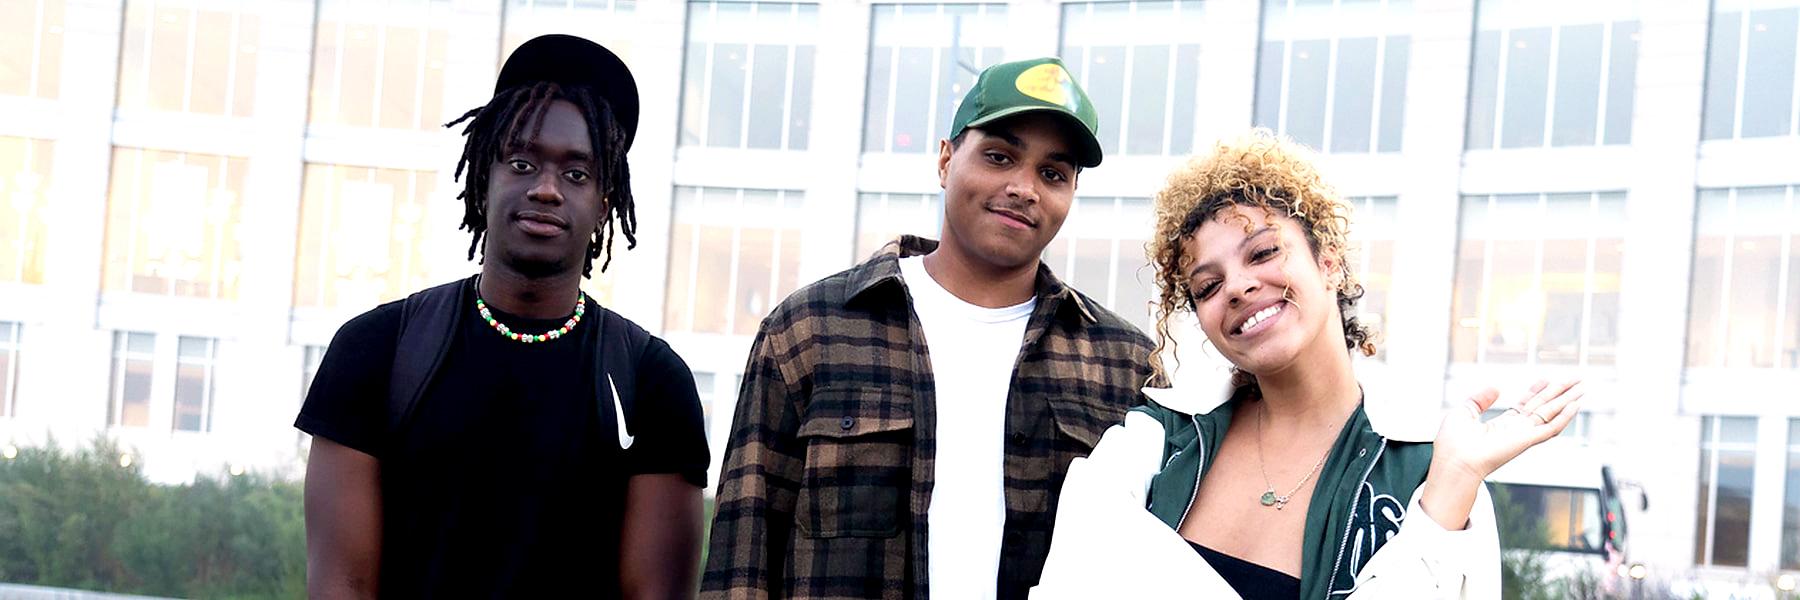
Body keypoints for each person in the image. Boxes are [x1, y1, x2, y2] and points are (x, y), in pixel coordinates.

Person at [1031, 131, 1583, 599]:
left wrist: (1452, 489)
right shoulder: (1150, 447)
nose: (1241, 287)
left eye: (1264, 253)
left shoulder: (1426, 476)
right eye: (1208, 286)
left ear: (1329, 262)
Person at [701, 57, 1156, 600]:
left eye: (1052, 174)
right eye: (999, 156)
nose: (1024, 187)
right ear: (945, 161)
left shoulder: (1126, 364)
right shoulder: (810, 329)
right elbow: (741, 559)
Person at [296, 34, 708, 598]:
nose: (545, 189)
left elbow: (654, 593)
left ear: (605, 203)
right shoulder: (376, 349)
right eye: (521, 162)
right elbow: (342, 585)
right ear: (483, 178)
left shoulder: (653, 381)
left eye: (577, 174)